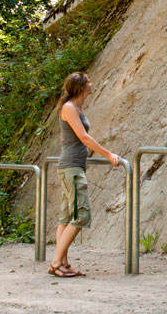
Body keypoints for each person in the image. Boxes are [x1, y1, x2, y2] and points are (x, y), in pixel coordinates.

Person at [49, 71, 119, 278]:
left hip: (72, 167)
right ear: (80, 87)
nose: (91, 83)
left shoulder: (76, 107)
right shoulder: (69, 108)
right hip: (71, 168)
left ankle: (62, 262)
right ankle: (55, 262)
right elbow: (83, 137)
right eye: (88, 81)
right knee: (81, 215)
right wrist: (108, 155)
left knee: (66, 218)